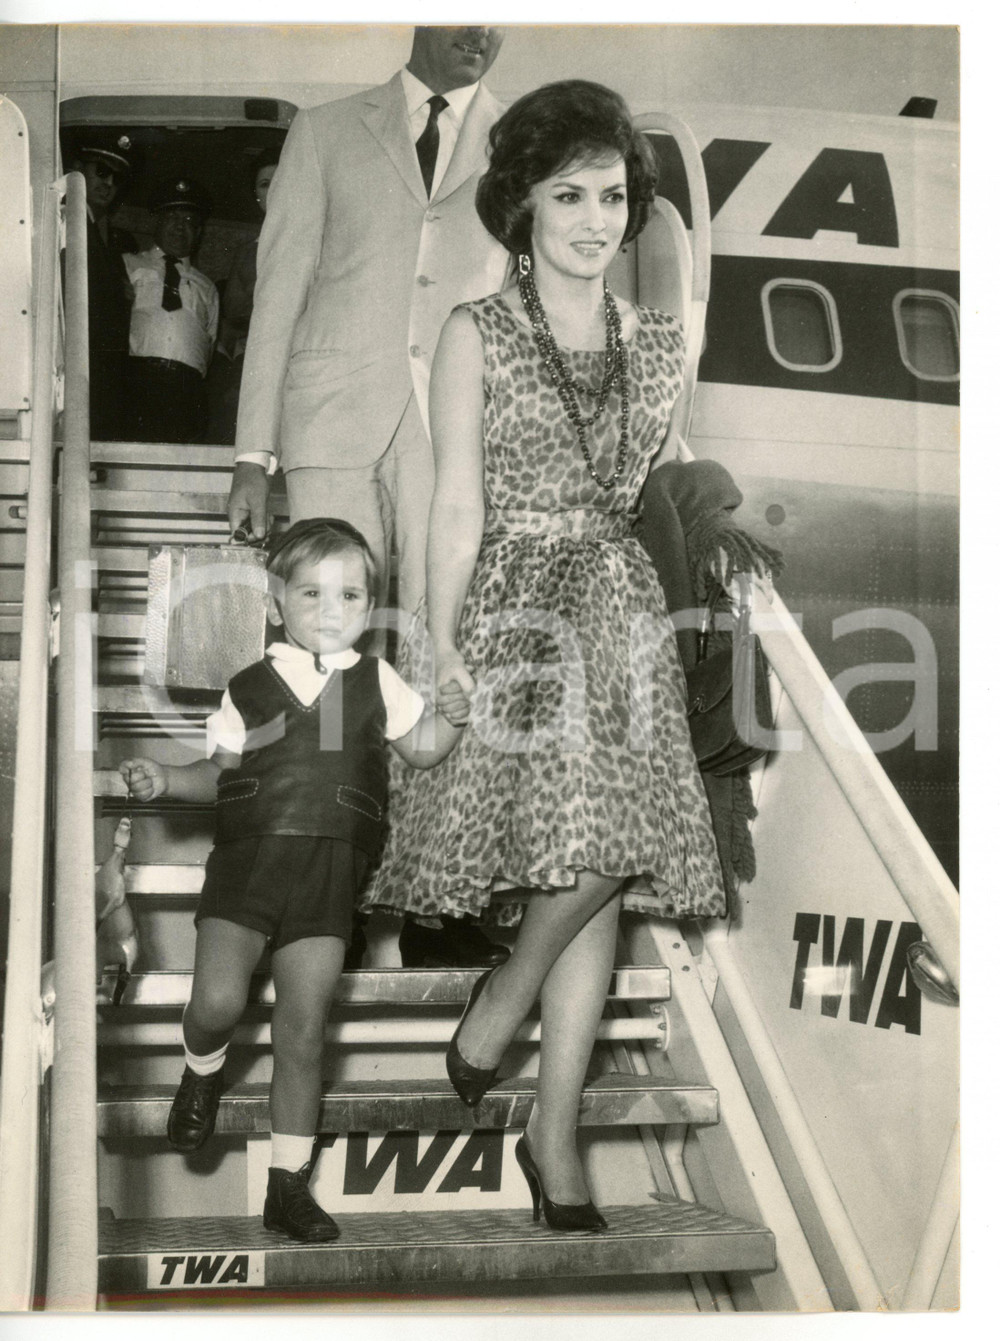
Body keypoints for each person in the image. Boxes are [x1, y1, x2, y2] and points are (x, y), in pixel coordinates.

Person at [362, 81, 729, 1232]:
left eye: (612, 195)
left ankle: (544, 1103)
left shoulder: (659, 344)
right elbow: (456, 504)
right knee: (600, 848)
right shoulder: (476, 334)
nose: (592, 218)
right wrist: (435, 643)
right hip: (518, 605)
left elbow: (649, 491)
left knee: (613, 846)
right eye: (566, 193)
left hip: (617, 610)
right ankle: (524, 1036)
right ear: (519, 202)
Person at [229, 27, 512, 971]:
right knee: (331, 650)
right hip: (330, 416)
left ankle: (434, 896)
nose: (482, 32)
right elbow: (277, 294)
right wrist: (251, 455)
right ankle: (323, 898)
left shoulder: (518, 144)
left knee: (439, 646)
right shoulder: (325, 129)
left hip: (453, 429)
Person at [118, 518, 470, 1242]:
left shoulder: (377, 682)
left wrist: (455, 718)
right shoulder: (250, 685)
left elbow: (425, 750)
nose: (330, 608)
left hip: (329, 876)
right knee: (216, 1001)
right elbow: (214, 773)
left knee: (303, 1034)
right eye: (311, 591)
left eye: (349, 594)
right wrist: (163, 777)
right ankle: (202, 1066)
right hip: (249, 863)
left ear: (369, 609)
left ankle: (288, 1185)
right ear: (277, 603)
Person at [124, 177, 218, 443]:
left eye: (189, 221)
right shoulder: (128, 264)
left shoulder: (207, 287)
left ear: (199, 232)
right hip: (137, 383)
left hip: (186, 391)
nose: (180, 227)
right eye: (172, 217)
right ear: (158, 222)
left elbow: (208, 343)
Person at [205, 151, 280, 445]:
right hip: (255, 359)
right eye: (264, 184)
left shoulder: (319, 238)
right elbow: (234, 314)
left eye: (279, 180)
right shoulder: (248, 253)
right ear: (256, 196)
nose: (273, 190)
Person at [71, 132, 137, 441]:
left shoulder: (101, 240)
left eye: (116, 178)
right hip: (79, 374)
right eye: (101, 171)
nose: (108, 182)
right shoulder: (67, 225)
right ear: (77, 169)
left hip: (99, 379)